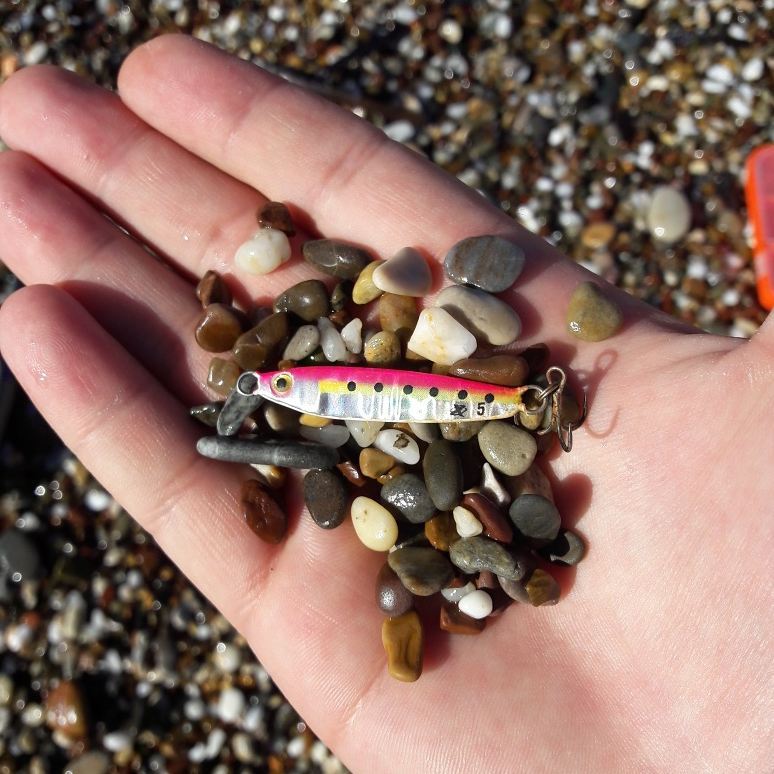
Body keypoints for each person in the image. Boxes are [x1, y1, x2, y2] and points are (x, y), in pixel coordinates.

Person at [0, 35, 770, 772]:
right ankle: (521, 404)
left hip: (456, 407)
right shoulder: (306, 389)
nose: (276, 389)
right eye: (276, 388)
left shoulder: (308, 388)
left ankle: (523, 403)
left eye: (278, 386)